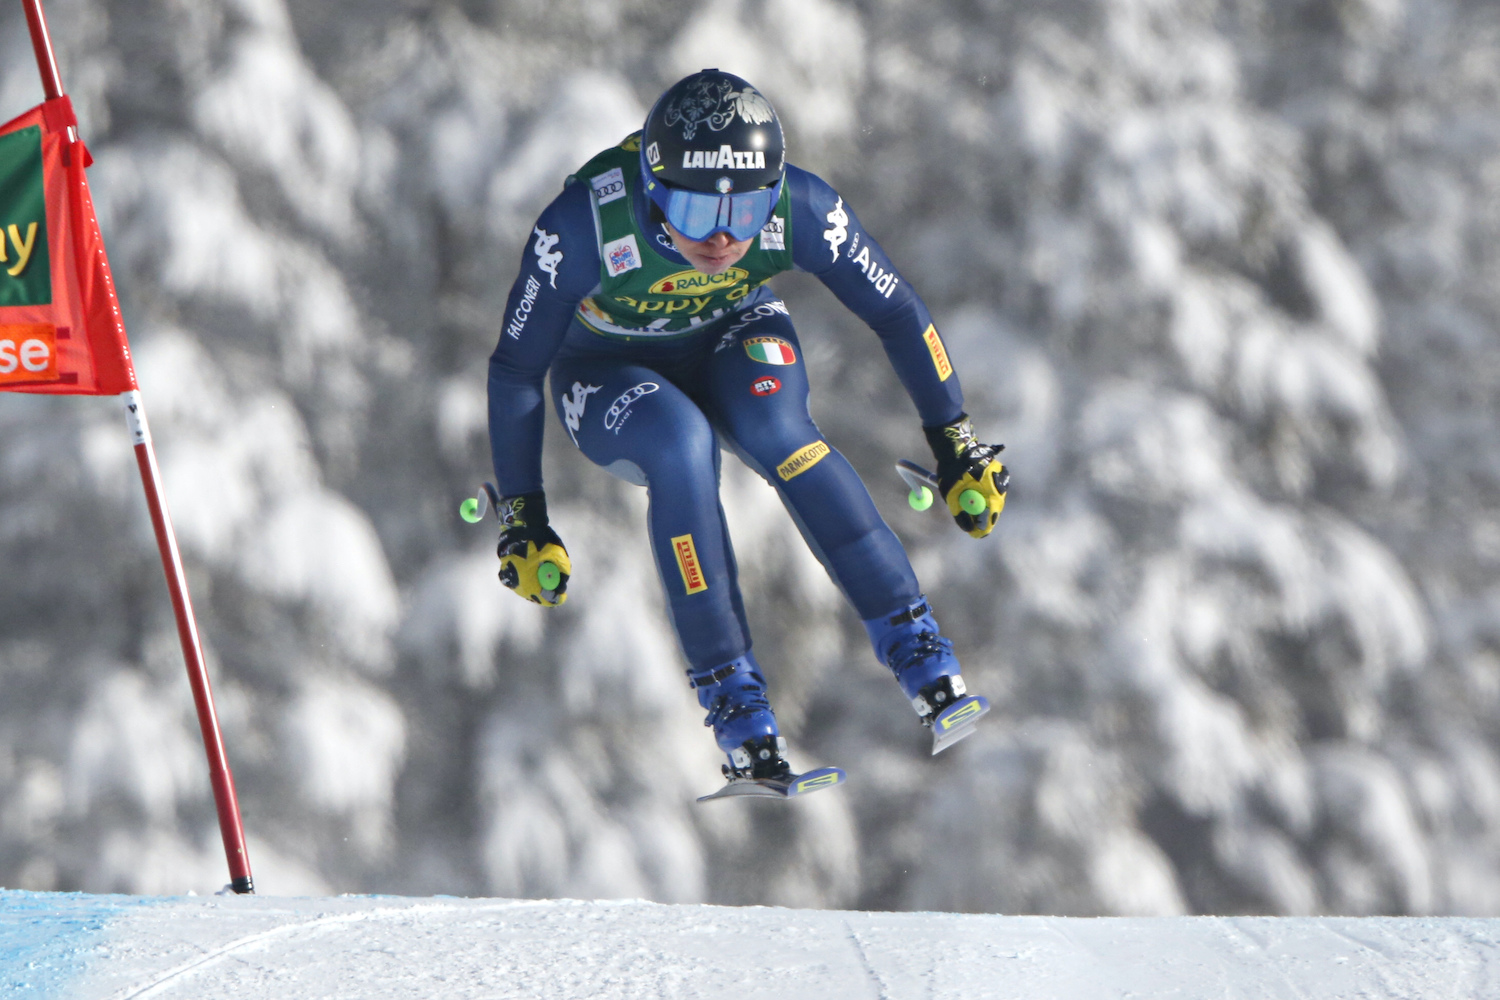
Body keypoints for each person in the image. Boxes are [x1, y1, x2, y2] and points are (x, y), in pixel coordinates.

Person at [487, 69, 1008, 791]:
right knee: (679, 446)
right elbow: (516, 369)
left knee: (778, 429)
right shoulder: (584, 226)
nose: (724, 237)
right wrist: (523, 515)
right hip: (604, 367)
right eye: (696, 212)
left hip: (733, 332)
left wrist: (955, 440)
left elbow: (896, 311)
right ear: (652, 189)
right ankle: (735, 703)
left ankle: (918, 647)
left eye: (747, 210)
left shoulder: (800, 206)